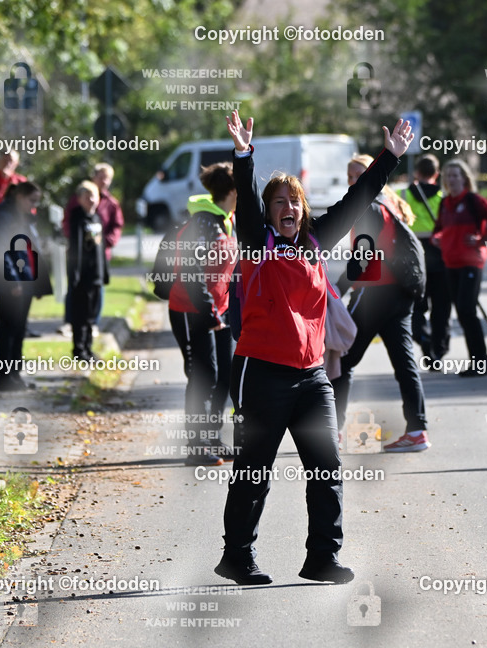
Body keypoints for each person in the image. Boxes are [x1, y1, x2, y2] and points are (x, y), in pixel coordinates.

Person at [216, 110, 413, 586]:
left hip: (311, 376)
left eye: (294, 201)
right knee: (254, 471)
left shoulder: (315, 241)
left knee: (327, 468)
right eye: (278, 202)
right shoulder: (257, 242)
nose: (288, 207)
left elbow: (356, 199)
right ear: (268, 212)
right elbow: (246, 202)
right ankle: (237, 556)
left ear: (303, 209)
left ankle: (322, 557)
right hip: (261, 372)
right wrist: (244, 154)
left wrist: (390, 157)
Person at [331, 154, 429, 453]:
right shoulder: (389, 204)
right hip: (400, 294)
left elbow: (363, 261)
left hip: (375, 293)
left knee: (342, 358)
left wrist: (335, 291)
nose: (353, 181)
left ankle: (332, 432)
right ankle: (417, 431)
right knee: (404, 363)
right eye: (350, 176)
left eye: (359, 175)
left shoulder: (368, 207)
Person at [167, 163, 238, 467]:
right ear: (233, 190)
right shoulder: (203, 223)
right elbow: (191, 270)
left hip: (219, 311)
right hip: (191, 309)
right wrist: (208, 310)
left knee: (226, 376)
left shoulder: (227, 220)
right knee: (202, 377)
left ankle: (212, 438)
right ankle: (196, 446)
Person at [430, 159, 487, 376]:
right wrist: (437, 238)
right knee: (463, 313)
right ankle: (478, 360)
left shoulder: (473, 200)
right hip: (450, 263)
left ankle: (480, 362)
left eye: (456, 175)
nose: (452, 179)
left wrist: (482, 240)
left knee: (466, 310)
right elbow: (438, 229)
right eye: (448, 175)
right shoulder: (445, 203)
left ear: (464, 178)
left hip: (471, 262)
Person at [0, 182, 52, 391]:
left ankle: (15, 376)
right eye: (31, 200)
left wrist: (37, 284)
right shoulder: (4, 216)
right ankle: (4, 379)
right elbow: (2, 249)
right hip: (9, 282)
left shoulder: (25, 218)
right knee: (7, 330)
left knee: (19, 330)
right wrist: (12, 280)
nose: (34, 205)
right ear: (19, 197)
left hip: (25, 280)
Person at [59, 163, 124, 336]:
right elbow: (68, 221)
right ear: (94, 177)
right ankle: (70, 322)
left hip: (99, 254)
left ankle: (92, 323)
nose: (104, 181)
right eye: (101, 177)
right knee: (75, 288)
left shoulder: (111, 203)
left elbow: (116, 225)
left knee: (96, 289)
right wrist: (74, 239)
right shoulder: (78, 198)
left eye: (107, 178)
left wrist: (106, 242)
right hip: (79, 254)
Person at [399, 154, 449, 365]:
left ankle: (423, 337)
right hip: (441, 258)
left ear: (416, 173)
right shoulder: (445, 198)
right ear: (437, 174)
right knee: (441, 307)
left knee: (417, 306)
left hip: (414, 258)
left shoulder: (402, 195)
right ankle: (439, 349)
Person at [65, 181, 108, 361]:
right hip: (82, 276)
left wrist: (104, 272)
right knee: (80, 315)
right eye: (87, 197)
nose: (91, 200)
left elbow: (101, 247)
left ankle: (89, 348)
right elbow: (75, 248)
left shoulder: (96, 218)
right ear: (80, 199)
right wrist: (74, 274)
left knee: (91, 315)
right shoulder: (77, 218)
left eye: (94, 196)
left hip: (96, 275)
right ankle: (79, 349)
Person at [0, 151, 27, 225]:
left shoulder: (21, 181)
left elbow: (28, 204)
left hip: (17, 224)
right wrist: (2, 181)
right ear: (0, 161)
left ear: (17, 163)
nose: (7, 164)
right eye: (5, 160)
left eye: (10, 161)